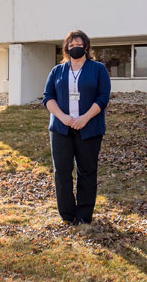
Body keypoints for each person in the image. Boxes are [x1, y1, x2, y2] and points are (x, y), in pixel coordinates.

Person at [42, 30, 111, 225]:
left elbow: (103, 97)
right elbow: (47, 97)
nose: (75, 48)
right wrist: (63, 117)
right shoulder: (57, 71)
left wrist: (85, 118)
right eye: (71, 46)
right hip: (61, 129)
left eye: (78, 45)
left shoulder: (98, 69)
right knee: (62, 172)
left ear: (86, 47)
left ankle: (83, 216)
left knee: (87, 172)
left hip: (89, 128)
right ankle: (67, 214)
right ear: (66, 49)